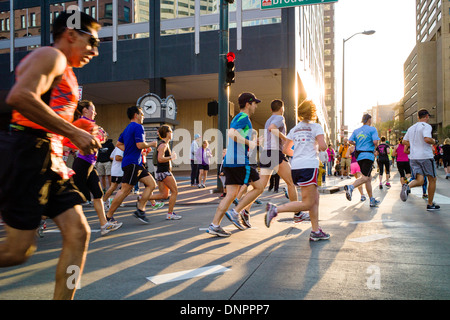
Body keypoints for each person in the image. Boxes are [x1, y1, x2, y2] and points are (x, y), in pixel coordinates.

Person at [0, 11, 101, 300]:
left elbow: (47, 114)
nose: (94, 51)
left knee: (79, 233)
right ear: (71, 34)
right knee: (17, 251)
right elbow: (20, 97)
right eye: (91, 41)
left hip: (51, 161)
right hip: (28, 155)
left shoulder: (66, 70)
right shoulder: (51, 56)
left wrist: (77, 130)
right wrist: (73, 132)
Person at [265, 100, 329, 241]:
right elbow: (323, 146)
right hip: (309, 166)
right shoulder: (316, 127)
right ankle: (275, 210)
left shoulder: (294, 129)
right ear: (312, 112)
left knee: (315, 198)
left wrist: (299, 155)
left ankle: (315, 230)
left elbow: (286, 149)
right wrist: (316, 147)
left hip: (297, 166)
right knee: (308, 203)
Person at [206, 92, 265, 237]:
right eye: (254, 103)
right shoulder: (244, 117)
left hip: (230, 162)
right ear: (248, 104)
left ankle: (214, 225)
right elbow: (231, 133)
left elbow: (237, 137)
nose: (256, 106)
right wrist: (249, 142)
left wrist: (253, 142)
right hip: (239, 162)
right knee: (259, 187)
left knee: (231, 194)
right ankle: (236, 212)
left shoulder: (239, 118)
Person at [70, 100, 122, 236]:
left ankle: (104, 225)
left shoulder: (91, 124)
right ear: (85, 110)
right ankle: (42, 217)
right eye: (93, 109)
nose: (95, 112)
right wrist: (99, 138)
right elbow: (75, 140)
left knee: (98, 194)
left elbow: (100, 138)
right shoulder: (81, 123)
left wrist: (101, 137)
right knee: (75, 197)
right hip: (82, 164)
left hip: (90, 165)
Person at [106, 106, 159, 224]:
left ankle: (140, 209)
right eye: (142, 114)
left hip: (136, 163)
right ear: (136, 115)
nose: (143, 116)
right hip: (132, 163)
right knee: (125, 190)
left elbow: (119, 144)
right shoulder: (138, 126)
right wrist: (151, 143)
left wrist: (131, 150)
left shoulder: (127, 128)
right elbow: (140, 145)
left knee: (151, 184)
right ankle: (108, 216)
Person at [400, 109, 440, 211]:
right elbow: (427, 139)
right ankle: (430, 204)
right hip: (425, 157)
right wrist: (434, 141)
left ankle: (407, 186)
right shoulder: (427, 126)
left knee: (420, 180)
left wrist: (413, 145)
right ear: (427, 116)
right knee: (432, 179)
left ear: (418, 117)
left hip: (414, 158)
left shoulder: (411, 128)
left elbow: (404, 141)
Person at [343, 113, 380, 207]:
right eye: (370, 120)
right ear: (369, 120)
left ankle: (371, 199)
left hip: (359, 156)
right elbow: (375, 141)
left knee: (368, 178)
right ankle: (350, 187)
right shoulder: (372, 129)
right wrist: (375, 148)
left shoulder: (356, 130)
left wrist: (358, 145)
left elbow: (350, 141)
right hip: (368, 155)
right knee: (365, 178)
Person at [147, 125, 181, 220]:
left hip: (161, 172)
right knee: (175, 191)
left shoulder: (164, 144)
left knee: (164, 195)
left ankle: (143, 198)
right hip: (164, 172)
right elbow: (160, 159)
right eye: (170, 131)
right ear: (166, 133)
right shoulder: (163, 145)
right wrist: (171, 157)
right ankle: (170, 213)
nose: (172, 133)